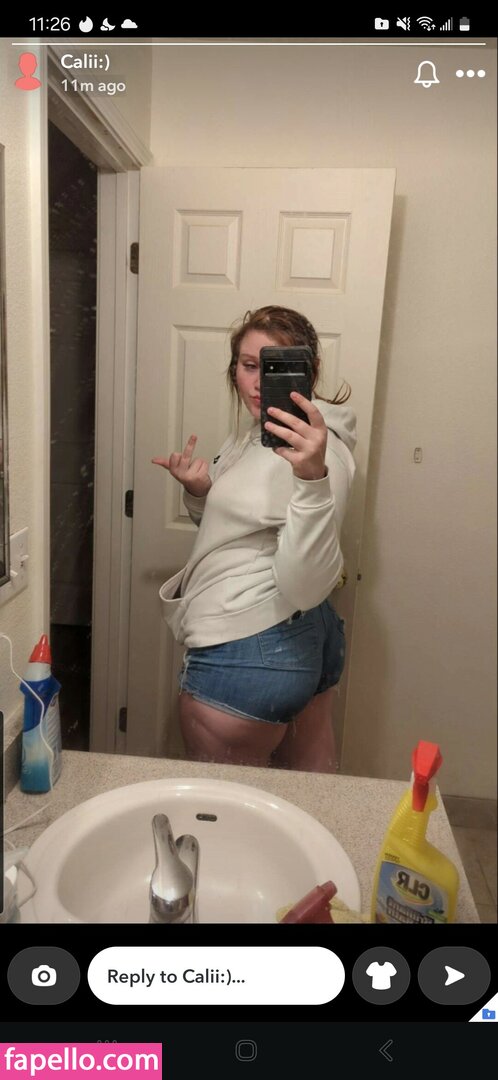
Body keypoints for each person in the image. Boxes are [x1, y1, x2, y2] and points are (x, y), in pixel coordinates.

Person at [152, 306, 356, 772]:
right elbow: (248, 528)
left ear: (309, 371)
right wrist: (201, 492)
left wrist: (312, 477)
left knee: (223, 802)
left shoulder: (322, 453)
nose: (261, 382)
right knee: (307, 788)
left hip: (252, 644)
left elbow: (306, 585)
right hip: (286, 638)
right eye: (249, 365)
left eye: (277, 366)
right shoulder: (256, 434)